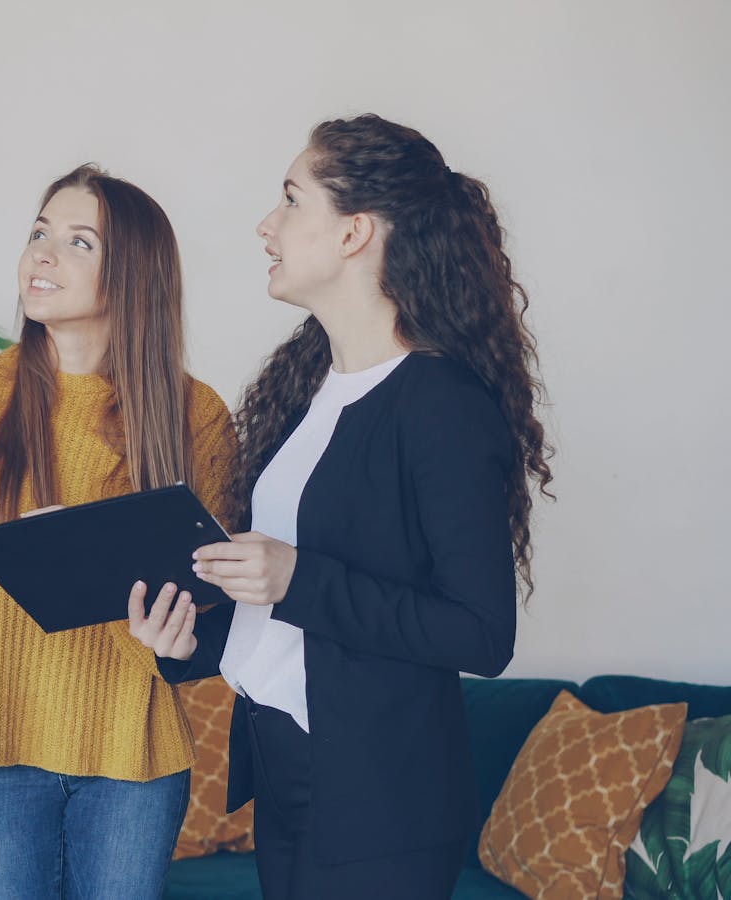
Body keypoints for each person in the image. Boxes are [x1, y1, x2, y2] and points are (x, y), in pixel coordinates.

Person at [131, 114, 554, 900]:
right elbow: (281, 613)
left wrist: (296, 578)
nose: (268, 223)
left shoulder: (440, 404)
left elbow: (481, 631)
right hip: (288, 772)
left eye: (291, 199)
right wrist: (184, 640)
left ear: (356, 231)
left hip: (379, 807)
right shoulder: (308, 389)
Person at [0, 164, 238, 899]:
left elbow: (218, 611)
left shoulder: (196, 416)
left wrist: (182, 638)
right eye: (40, 232)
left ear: (134, 276)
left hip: (132, 757)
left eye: (78, 242)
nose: (42, 254)